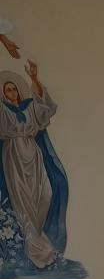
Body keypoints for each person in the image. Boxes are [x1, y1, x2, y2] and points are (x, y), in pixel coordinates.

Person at [0, 62, 69, 268]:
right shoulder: (2, 110)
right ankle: (35, 249)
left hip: (34, 155)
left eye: (14, 89)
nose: (12, 93)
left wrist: (34, 78)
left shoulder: (29, 106)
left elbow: (44, 106)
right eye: (7, 90)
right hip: (13, 157)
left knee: (45, 194)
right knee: (21, 200)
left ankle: (37, 237)